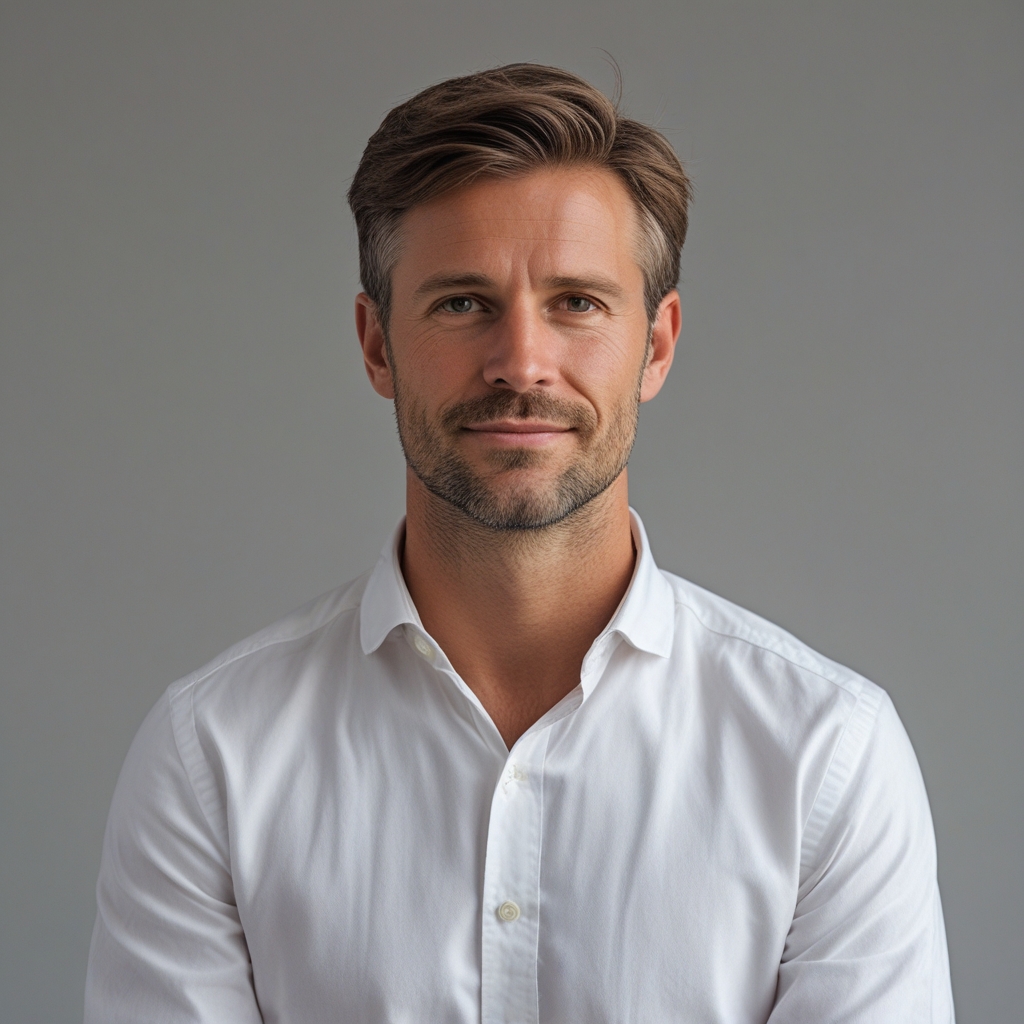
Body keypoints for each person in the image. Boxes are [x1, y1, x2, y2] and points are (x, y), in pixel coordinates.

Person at [84, 64, 954, 1023]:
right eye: (462, 303)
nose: (521, 364)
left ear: (656, 345)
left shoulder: (826, 758)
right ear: (377, 345)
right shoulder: (211, 757)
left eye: (578, 302)